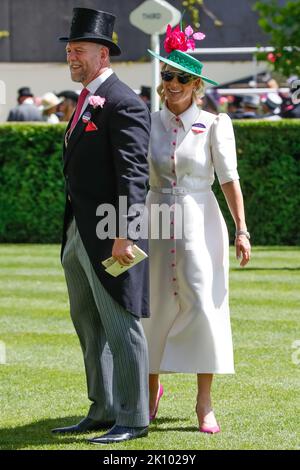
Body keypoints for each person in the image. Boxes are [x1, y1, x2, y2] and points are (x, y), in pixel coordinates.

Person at [142, 24, 251, 434]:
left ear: (197, 84)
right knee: (150, 307)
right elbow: (134, 177)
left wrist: (241, 228)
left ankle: (204, 403)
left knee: (204, 304)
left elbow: (229, 178)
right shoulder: (146, 122)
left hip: (200, 219)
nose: (172, 84)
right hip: (154, 218)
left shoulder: (215, 123)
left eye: (181, 77)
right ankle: (149, 393)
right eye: (166, 75)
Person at [51, 8, 150, 444]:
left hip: (113, 233)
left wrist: (124, 234)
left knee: (120, 323)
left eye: (79, 50)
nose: (72, 56)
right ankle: (103, 407)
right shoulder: (88, 99)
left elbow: (133, 175)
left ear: (104, 54)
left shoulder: (124, 101)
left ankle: (133, 418)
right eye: (70, 50)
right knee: (88, 322)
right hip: (78, 232)